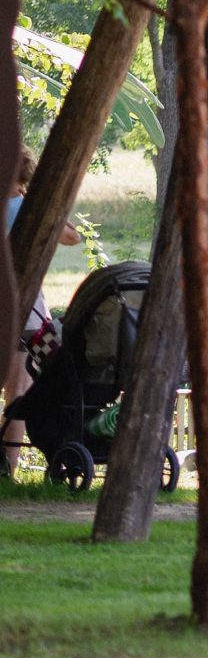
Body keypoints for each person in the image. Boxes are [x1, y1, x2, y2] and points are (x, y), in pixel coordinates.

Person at [4, 148, 80, 474]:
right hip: (25, 311)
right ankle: (7, 465)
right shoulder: (28, 208)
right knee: (18, 389)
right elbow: (72, 236)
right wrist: (44, 200)